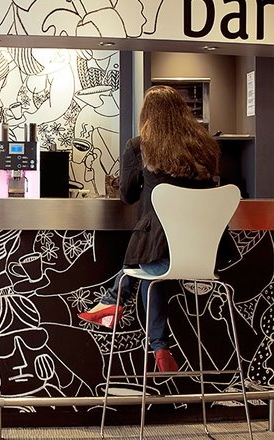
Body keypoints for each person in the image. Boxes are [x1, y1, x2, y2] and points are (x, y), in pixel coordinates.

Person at [78, 85, 224, 373]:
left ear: (147, 115)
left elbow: (127, 196)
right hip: (207, 251)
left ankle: (115, 302)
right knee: (150, 272)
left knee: (150, 264)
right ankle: (155, 343)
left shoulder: (139, 146)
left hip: (157, 250)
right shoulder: (206, 146)